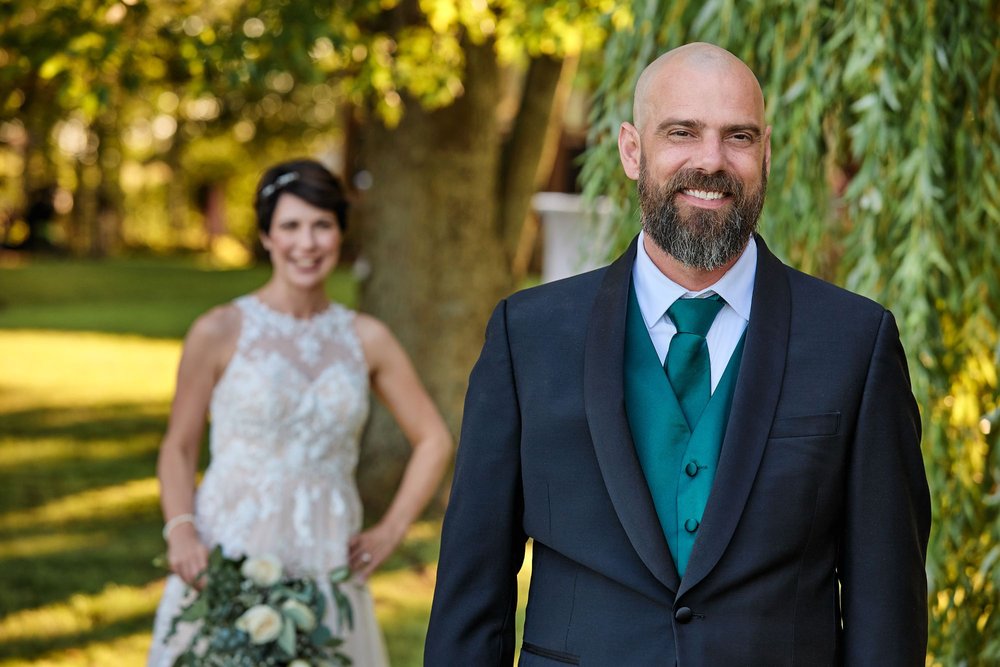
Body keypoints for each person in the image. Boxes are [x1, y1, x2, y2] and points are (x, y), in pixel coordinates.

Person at [425, 43, 930, 666]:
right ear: (631, 150)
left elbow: (887, 610)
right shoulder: (527, 336)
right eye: (682, 132)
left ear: (766, 153)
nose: (711, 160)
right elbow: (472, 595)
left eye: (738, 136)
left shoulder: (856, 342)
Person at [148, 158, 452, 666]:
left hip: (326, 563)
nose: (306, 243)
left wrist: (391, 530)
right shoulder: (219, 330)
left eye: (321, 225)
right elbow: (178, 446)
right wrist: (181, 531)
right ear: (266, 236)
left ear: (340, 233)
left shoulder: (367, 339)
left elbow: (434, 439)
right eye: (290, 226)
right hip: (227, 557)